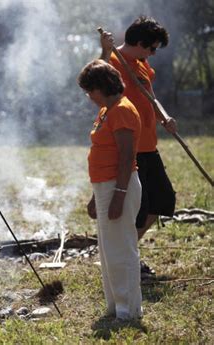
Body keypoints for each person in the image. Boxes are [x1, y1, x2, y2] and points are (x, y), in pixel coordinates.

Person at [99, 16, 176, 277]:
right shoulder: (112, 62)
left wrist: (164, 116)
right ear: (140, 42)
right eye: (152, 48)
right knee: (137, 209)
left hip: (149, 146)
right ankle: (123, 261)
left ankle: (126, 252)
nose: (153, 53)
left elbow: (150, 98)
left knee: (163, 200)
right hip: (128, 148)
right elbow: (97, 85)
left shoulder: (141, 63)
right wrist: (104, 51)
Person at [78, 59, 143, 320]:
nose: (89, 96)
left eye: (90, 90)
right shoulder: (107, 110)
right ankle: (116, 305)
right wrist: (96, 196)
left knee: (121, 248)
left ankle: (128, 310)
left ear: (101, 86)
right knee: (107, 250)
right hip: (105, 187)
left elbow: (126, 157)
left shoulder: (123, 111)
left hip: (120, 188)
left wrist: (119, 195)